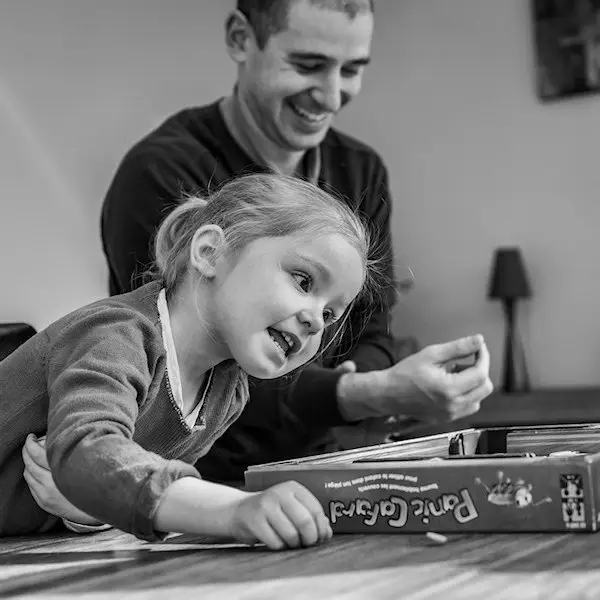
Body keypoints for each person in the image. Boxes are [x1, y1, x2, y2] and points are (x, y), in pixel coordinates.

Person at [31, 0, 494, 492]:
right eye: (308, 65)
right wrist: (370, 394)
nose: (332, 96)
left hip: (319, 468)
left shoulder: (363, 172)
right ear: (239, 38)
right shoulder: (159, 171)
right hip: (192, 481)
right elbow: (191, 363)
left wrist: (373, 385)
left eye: (352, 70)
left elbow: (370, 329)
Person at [1, 173, 378, 548]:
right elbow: (87, 454)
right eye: (303, 281)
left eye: (330, 314)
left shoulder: (227, 393)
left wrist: (88, 509)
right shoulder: (116, 335)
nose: (315, 320)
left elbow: (112, 485)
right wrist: (234, 510)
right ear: (210, 252)